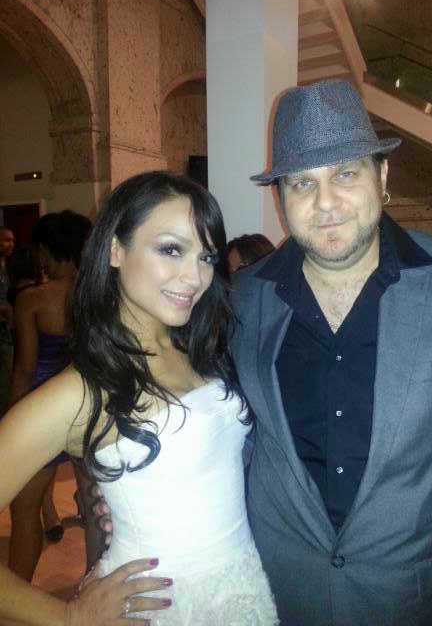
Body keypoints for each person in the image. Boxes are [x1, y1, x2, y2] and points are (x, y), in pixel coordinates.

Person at [95, 79, 432, 625]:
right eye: (302, 182)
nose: (325, 203)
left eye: (345, 174)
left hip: (426, 600)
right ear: (279, 198)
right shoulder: (240, 299)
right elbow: (203, 414)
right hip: (283, 596)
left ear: (382, 177)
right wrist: (145, 492)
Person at [0, 172, 278, 626]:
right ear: (115, 249)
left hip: (242, 589)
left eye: (206, 256)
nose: (195, 276)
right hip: (161, 607)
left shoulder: (200, 348)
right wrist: (68, 616)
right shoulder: (80, 391)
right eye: (171, 249)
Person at [8, 211, 93, 582]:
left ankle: (17, 595)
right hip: (90, 407)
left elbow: (24, 369)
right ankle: (92, 586)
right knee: (96, 510)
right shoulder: (98, 296)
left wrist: (13, 421)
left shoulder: (32, 300)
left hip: (43, 409)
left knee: (25, 511)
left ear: (48, 250)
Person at [0, 226, 15, 415]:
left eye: (12, 240)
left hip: (7, 329)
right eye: (6, 240)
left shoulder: (10, 265)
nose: (10, 244)